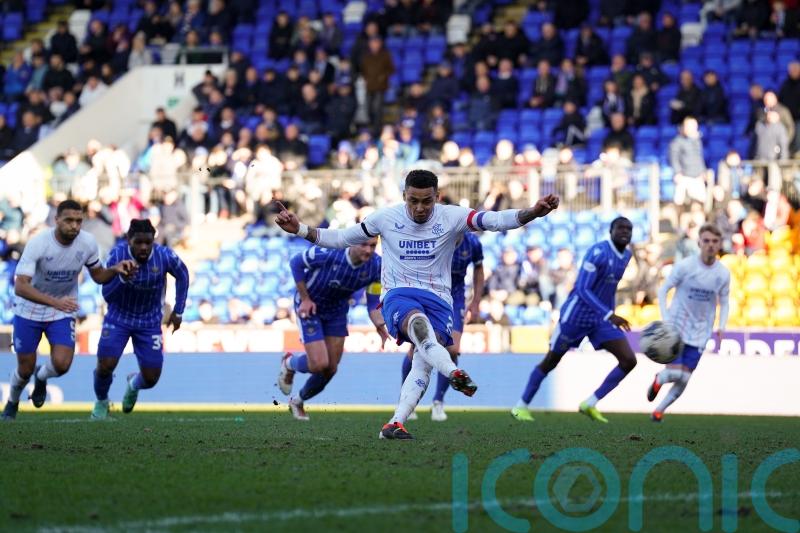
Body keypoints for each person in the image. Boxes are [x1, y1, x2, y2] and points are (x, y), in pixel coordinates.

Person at [275, 169, 560, 439]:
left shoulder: (452, 217)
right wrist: (299, 228)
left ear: (437, 197)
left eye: (427, 201)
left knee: (422, 364)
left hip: (439, 300)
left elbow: (496, 220)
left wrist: (533, 212)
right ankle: (453, 372)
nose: (420, 208)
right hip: (399, 294)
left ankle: (396, 421)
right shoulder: (385, 219)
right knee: (417, 325)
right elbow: (338, 238)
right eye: (413, 201)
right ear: (404, 197)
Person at [2, 200, 136, 420]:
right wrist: (54, 302)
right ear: (57, 220)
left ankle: (42, 377)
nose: (74, 225)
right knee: (24, 369)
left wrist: (115, 270)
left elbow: (98, 276)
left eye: (78, 221)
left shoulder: (88, 243)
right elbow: (20, 286)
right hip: (29, 311)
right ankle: (12, 402)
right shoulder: (38, 243)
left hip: (61, 311)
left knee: (62, 364)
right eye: (69, 220)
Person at [510, 217, 635, 424]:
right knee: (551, 361)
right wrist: (609, 314)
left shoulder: (626, 255)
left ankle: (590, 403)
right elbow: (583, 289)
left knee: (629, 360)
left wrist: (608, 314)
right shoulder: (598, 253)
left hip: (600, 319)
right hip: (576, 316)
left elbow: (609, 289)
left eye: (629, 229)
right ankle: (520, 406)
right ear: (611, 231)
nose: (625, 232)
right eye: (621, 228)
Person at [278, 238, 388, 420]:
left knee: (330, 369)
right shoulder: (328, 252)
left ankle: (297, 401)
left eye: (373, 245)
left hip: (337, 311)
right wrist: (305, 299)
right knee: (319, 364)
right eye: (363, 245)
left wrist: (379, 324)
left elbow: (373, 302)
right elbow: (296, 263)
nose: (368, 250)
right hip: (311, 306)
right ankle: (289, 363)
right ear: (352, 242)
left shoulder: (377, 266)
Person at [90, 219, 189, 420]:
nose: (143, 247)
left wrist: (178, 311)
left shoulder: (164, 256)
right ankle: (101, 401)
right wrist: (121, 278)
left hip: (149, 321)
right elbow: (107, 295)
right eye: (138, 242)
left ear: (153, 240)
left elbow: (183, 275)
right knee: (105, 365)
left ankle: (133, 384)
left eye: (148, 242)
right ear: (129, 240)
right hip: (119, 318)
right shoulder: (117, 256)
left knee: (151, 377)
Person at [648, 223, 730, 422]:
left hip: (701, 331)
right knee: (674, 374)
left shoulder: (723, 273)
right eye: (707, 241)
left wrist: (721, 326)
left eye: (715, 241)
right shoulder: (685, 266)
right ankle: (659, 379)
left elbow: (725, 301)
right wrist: (665, 317)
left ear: (720, 244)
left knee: (684, 378)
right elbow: (663, 290)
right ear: (699, 242)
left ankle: (659, 410)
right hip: (677, 327)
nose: (710, 245)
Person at [400, 231, 484, 422]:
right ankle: (407, 399)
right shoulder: (431, 239)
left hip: (454, 298)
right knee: (417, 349)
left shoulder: (472, 243)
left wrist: (476, 300)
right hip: (429, 295)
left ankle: (438, 401)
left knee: (453, 349)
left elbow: (479, 269)